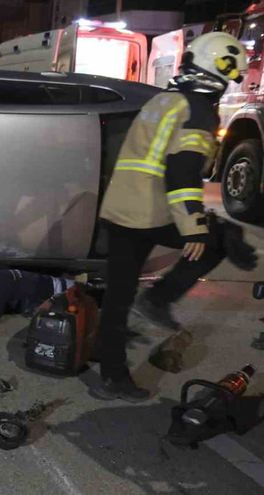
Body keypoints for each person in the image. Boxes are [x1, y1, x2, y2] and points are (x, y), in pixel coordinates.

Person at [93, 32, 248, 402]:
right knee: (219, 238)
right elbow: (182, 174)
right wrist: (194, 228)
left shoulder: (163, 99)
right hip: (151, 211)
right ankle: (158, 299)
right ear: (221, 73)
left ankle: (110, 371)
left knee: (118, 295)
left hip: (122, 208)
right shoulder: (198, 109)